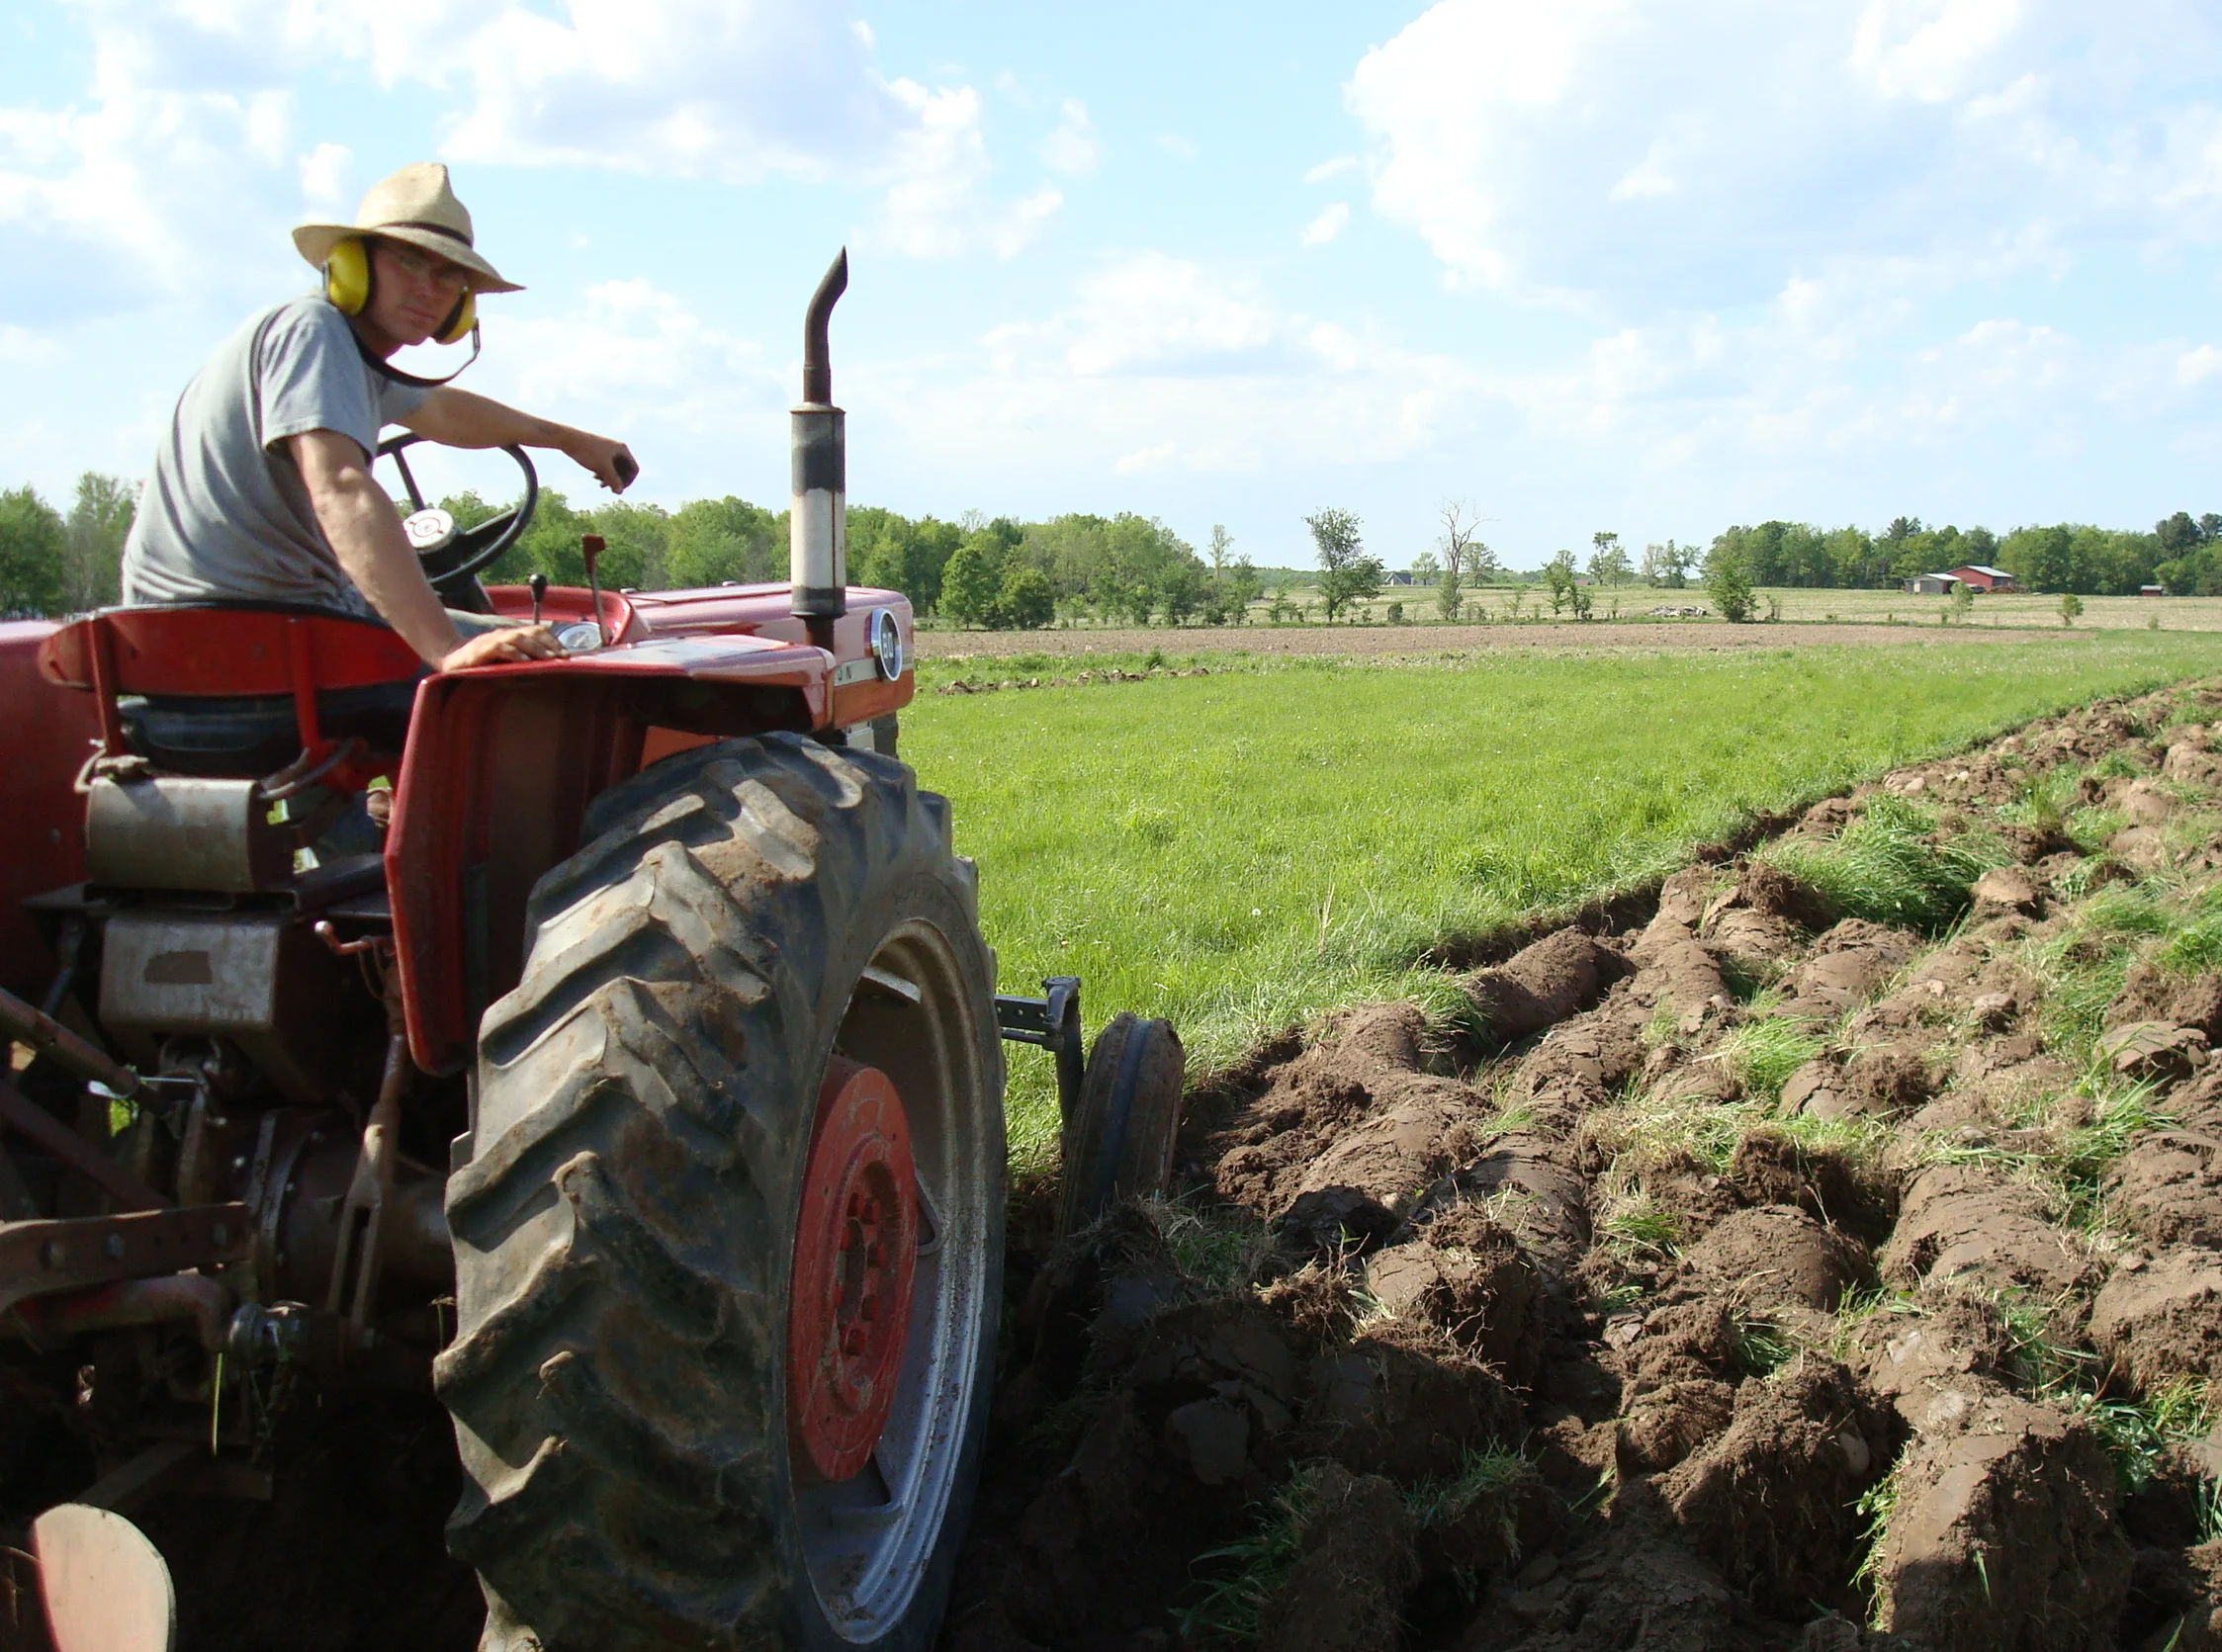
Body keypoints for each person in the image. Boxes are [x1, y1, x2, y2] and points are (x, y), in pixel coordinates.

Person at [120, 161, 634, 673]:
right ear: (353, 263)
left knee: (539, 645)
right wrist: (447, 649)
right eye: (409, 261)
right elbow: (340, 487)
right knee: (569, 654)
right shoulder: (314, 331)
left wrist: (566, 439)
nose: (430, 289)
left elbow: (435, 409)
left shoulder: (342, 356)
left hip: (204, 638)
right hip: (249, 637)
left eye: (449, 273)